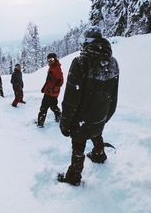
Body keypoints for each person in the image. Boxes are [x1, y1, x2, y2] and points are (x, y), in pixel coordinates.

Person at [58, 26, 119, 186]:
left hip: (81, 121)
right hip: (100, 117)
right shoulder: (113, 63)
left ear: (87, 42)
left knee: (78, 146)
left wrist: (65, 124)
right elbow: (113, 96)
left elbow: (71, 99)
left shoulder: (80, 63)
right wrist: (106, 117)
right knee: (96, 134)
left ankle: (73, 177)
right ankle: (99, 155)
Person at [37, 53, 64, 127]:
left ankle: (40, 124)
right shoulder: (52, 68)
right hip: (51, 92)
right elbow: (49, 80)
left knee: (43, 108)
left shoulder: (56, 68)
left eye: (52, 59)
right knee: (53, 106)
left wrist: (53, 89)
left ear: (55, 59)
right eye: (48, 60)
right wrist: (44, 88)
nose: (50, 61)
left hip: (51, 93)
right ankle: (60, 117)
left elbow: (61, 81)